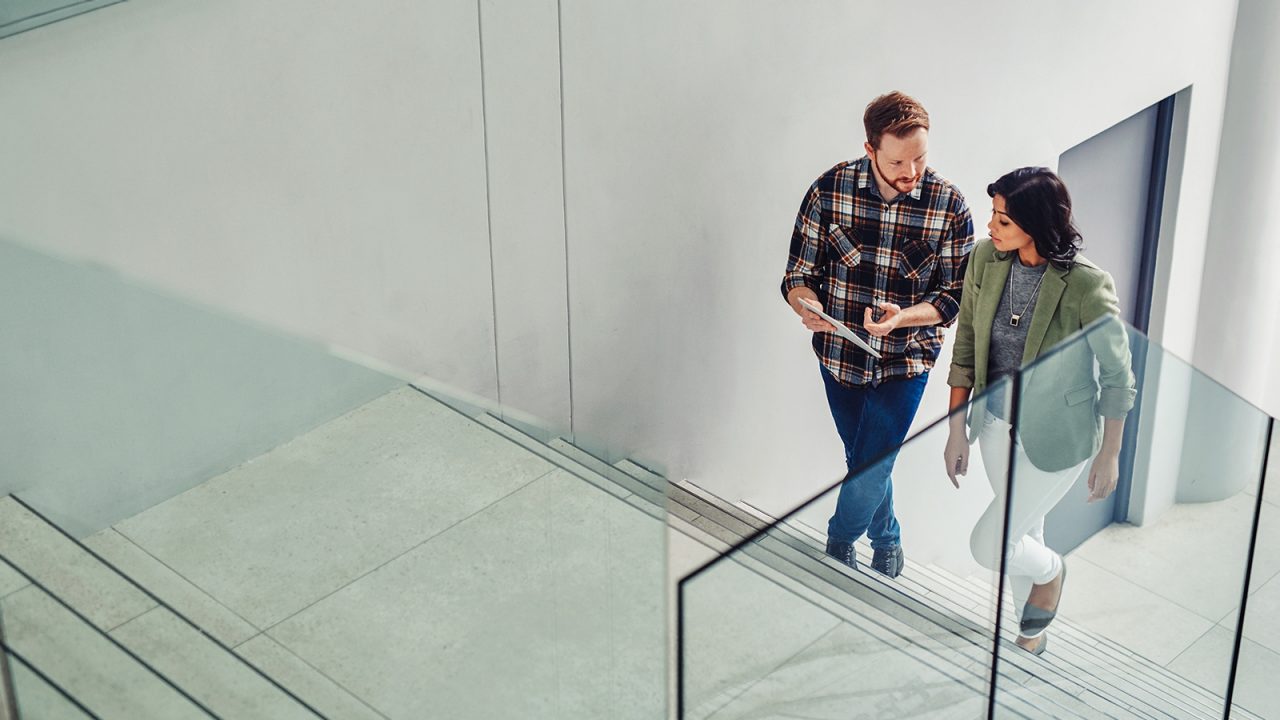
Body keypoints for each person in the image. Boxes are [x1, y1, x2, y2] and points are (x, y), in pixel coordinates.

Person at [943, 167, 1136, 655]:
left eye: (1003, 220)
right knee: (1021, 529)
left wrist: (1110, 452)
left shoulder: (1088, 286)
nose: (991, 227)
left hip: (1059, 437)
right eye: (993, 215)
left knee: (991, 544)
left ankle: (1052, 569)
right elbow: (966, 343)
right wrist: (956, 429)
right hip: (993, 426)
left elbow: (1118, 375)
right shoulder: (986, 259)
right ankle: (1029, 641)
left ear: (1036, 223)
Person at [782, 91, 974, 578]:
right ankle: (888, 538)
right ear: (871, 149)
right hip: (839, 355)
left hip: (906, 360)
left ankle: (838, 545)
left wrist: (902, 317)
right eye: (898, 161)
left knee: (871, 462)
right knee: (866, 460)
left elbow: (952, 299)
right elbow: (797, 276)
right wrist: (807, 306)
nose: (912, 171)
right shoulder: (830, 190)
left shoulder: (950, 206)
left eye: (921, 157)